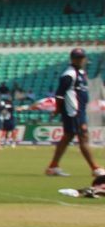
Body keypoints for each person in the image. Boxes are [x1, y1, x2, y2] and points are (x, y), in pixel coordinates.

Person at [45, 48, 96, 177]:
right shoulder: (69, 74)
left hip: (79, 110)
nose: (80, 60)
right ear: (72, 59)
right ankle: (95, 168)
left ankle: (53, 166)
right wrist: (58, 109)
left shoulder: (81, 73)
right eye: (77, 57)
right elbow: (60, 94)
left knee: (68, 136)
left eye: (82, 57)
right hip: (73, 111)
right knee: (83, 135)